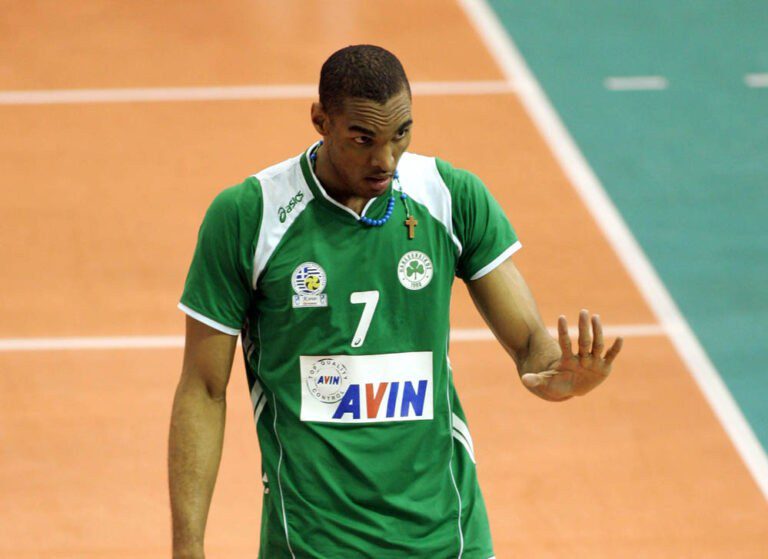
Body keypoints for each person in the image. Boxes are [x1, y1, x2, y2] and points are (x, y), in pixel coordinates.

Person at [168, 44, 623, 559]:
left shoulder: (449, 197)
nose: (384, 160)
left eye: (401, 134)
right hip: (314, 542)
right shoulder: (251, 216)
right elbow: (203, 389)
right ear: (320, 120)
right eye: (363, 139)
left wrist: (559, 376)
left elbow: (530, 345)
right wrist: (188, 547)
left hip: (447, 537)